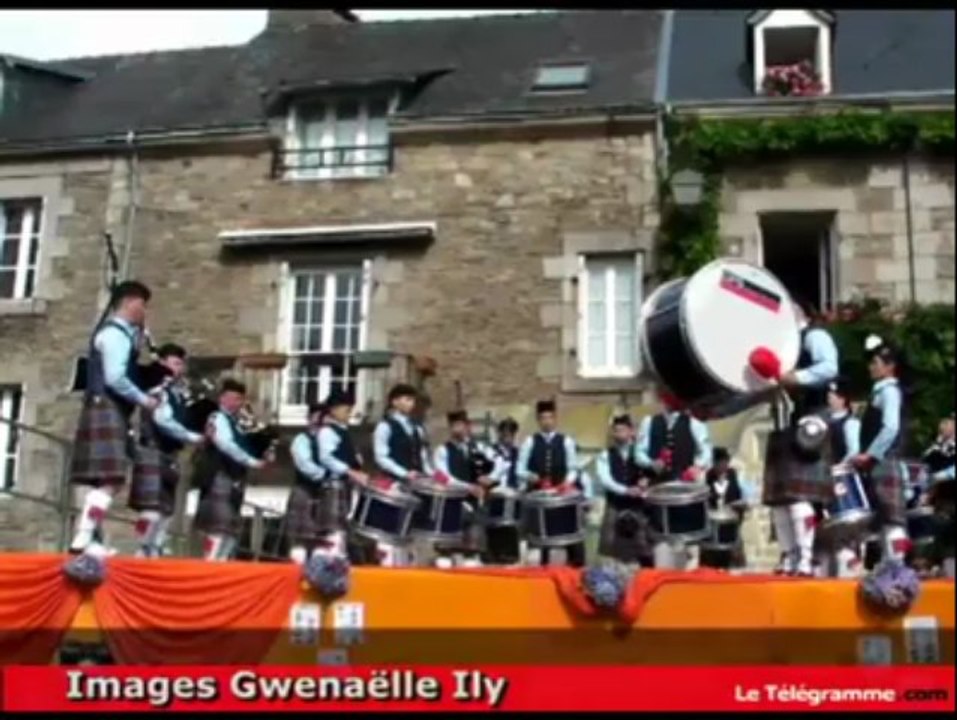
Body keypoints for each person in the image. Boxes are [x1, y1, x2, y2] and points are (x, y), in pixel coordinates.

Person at [69, 280, 158, 557]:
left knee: (101, 481)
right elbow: (116, 377)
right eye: (143, 305)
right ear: (130, 302)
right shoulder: (115, 335)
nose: (144, 311)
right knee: (110, 479)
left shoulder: (122, 335)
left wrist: (139, 343)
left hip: (105, 408)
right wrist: (144, 400)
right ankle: (83, 538)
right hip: (108, 407)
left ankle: (89, 540)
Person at [763, 299, 839, 577]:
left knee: (798, 497)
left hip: (811, 421)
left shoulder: (814, 335)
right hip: (787, 423)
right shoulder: (783, 347)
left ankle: (806, 559)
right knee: (779, 500)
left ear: (799, 313)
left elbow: (830, 367)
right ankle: (789, 556)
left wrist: (797, 377)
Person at [129, 343, 205, 558]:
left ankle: (155, 548)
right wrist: (193, 437)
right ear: (162, 363)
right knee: (152, 511)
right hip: (152, 451)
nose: (179, 369)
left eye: (181, 364)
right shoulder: (157, 390)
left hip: (169, 455)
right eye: (175, 363)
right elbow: (163, 421)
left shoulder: (177, 392)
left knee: (166, 513)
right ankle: (142, 548)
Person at [192, 379, 269, 561]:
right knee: (218, 528)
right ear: (222, 398)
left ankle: (221, 566)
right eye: (234, 398)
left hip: (234, 478)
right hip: (219, 475)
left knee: (230, 531)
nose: (237, 403)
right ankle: (209, 565)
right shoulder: (217, 418)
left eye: (240, 399)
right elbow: (225, 444)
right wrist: (250, 461)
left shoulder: (238, 423)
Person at [635, 391, 712, 569]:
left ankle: (688, 570)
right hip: (659, 486)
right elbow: (639, 452)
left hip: (684, 487)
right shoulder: (649, 422)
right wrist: (651, 463)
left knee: (686, 532)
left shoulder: (694, 423)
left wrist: (697, 466)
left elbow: (706, 451)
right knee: (659, 532)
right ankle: (663, 569)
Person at [852, 339, 909, 566]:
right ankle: (888, 566)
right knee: (883, 519)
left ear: (889, 366)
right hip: (878, 463)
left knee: (892, 519)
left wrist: (872, 454)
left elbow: (891, 427)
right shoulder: (878, 392)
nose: (871, 367)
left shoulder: (890, 392)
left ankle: (897, 567)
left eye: (875, 362)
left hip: (885, 461)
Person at [517, 400, 586, 568]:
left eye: (550, 418)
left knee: (569, 538)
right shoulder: (530, 442)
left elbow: (573, 468)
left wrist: (566, 483)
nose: (546, 421)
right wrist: (530, 476)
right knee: (538, 541)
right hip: (538, 496)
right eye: (543, 418)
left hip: (561, 496)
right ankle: (540, 570)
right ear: (538, 421)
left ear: (555, 419)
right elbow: (519, 469)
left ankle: (575, 568)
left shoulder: (566, 441)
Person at [372, 383, 433, 567]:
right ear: (394, 402)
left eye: (412, 399)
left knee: (410, 532)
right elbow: (381, 457)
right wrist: (405, 473)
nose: (410, 403)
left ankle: (407, 569)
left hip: (414, 486)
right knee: (391, 533)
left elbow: (423, 457)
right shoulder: (385, 426)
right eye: (406, 399)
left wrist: (433, 477)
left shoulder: (417, 428)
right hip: (393, 484)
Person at [432, 410, 497, 568]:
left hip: (475, 502)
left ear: (468, 427)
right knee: (445, 559)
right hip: (451, 502)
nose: (458, 429)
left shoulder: (478, 448)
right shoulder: (442, 451)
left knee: (472, 556)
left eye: (461, 425)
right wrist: (468, 487)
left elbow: (500, 461)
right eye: (454, 426)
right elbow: (443, 477)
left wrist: (491, 478)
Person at [817, 378, 864, 577]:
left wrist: (837, 468)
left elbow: (854, 450)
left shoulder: (851, 423)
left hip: (843, 480)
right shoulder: (823, 423)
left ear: (843, 399)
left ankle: (853, 566)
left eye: (833, 394)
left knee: (846, 527)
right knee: (826, 530)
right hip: (824, 480)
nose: (829, 397)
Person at [317, 389, 370, 563]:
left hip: (345, 486)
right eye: (346, 409)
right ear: (333, 410)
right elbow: (326, 457)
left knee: (343, 532)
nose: (349, 413)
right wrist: (351, 471)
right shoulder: (327, 432)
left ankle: (339, 564)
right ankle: (330, 568)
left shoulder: (343, 431)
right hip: (334, 485)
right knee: (334, 532)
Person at [597, 414, 652, 566]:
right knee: (609, 543)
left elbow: (652, 471)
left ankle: (646, 577)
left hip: (638, 504)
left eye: (622, 430)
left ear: (630, 431)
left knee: (644, 545)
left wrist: (646, 481)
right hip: (616, 503)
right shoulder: (605, 455)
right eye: (616, 430)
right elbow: (605, 479)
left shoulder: (642, 453)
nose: (619, 433)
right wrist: (625, 490)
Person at [283, 403, 329, 565]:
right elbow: (305, 465)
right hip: (305, 492)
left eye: (322, 423)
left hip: (325, 496)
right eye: (315, 421)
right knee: (299, 544)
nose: (318, 426)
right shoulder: (301, 440)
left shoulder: (330, 441)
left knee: (323, 545)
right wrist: (328, 474)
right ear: (308, 420)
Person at [485, 418, 523, 566]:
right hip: (495, 492)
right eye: (504, 434)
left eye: (510, 434)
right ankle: (494, 553)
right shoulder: (491, 451)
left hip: (512, 492)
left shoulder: (517, 453)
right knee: (495, 524)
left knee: (511, 524)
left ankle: (510, 554)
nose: (507, 437)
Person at [701, 447, 746, 569]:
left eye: (723, 463)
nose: (721, 466)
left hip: (731, 526)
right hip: (713, 529)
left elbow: (743, 498)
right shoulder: (708, 478)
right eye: (717, 463)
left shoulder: (734, 476)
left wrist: (737, 506)